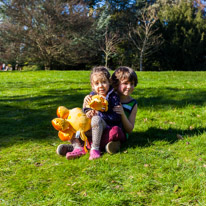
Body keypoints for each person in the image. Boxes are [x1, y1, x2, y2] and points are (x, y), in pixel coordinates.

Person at [57, 66, 124, 160]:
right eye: (97, 83)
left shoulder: (113, 97)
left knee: (96, 119)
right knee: (73, 121)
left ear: (109, 82)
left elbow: (116, 117)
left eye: (104, 82)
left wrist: (99, 113)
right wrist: (87, 111)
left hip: (105, 127)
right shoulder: (91, 96)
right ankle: (77, 147)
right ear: (92, 85)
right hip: (90, 129)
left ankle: (95, 149)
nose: (100, 85)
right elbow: (85, 111)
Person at [105, 66, 138, 153]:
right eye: (125, 83)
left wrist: (122, 114)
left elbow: (129, 129)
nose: (129, 87)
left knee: (115, 132)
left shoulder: (132, 104)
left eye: (132, 84)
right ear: (116, 83)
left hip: (120, 133)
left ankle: (113, 144)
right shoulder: (108, 97)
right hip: (105, 128)